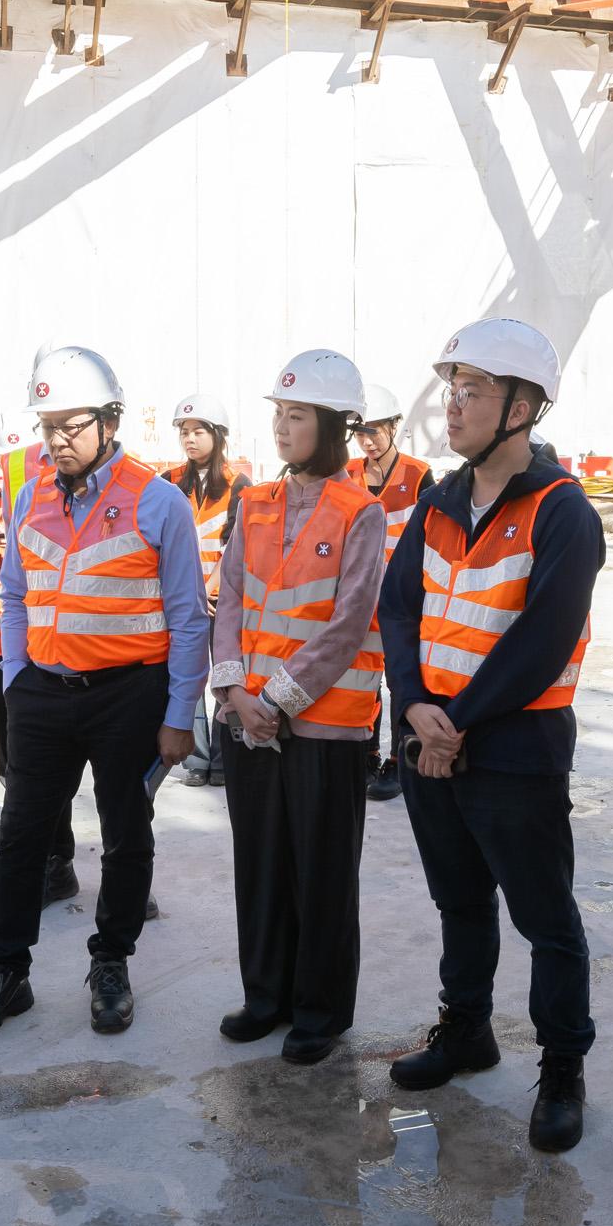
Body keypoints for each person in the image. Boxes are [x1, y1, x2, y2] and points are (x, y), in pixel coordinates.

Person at [379, 318, 606, 1154]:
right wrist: (413, 707)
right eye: (452, 388)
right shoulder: (436, 504)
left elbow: (543, 640)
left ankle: (562, 1066)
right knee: (459, 901)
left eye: (473, 390)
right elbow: (399, 606)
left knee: (546, 918)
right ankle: (465, 1029)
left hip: (515, 750)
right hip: (431, 738)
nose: (454, 405)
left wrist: (456, 723)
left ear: (524, 407)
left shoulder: (564, 511)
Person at [0, 345, 211, 1046]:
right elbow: (11, 594)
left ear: (109, 421)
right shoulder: (31, 496)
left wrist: (178, 716)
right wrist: (15, 678)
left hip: (129, 697)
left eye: (71, 424)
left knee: (126, 836)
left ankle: (111, 965)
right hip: (42, 694)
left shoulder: (158, 502)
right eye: (47, 426)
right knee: (23, 839)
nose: (56, 440)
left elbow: (189, 617)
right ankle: (7, 973)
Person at [210, 349, 387, 1064]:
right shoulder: (252, 503)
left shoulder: (361, 511)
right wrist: (232, 692)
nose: (283, 428)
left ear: (336, 425)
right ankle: (266, 996)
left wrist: (275, 700)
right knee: (260, 864)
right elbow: (227, 602)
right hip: (250, 720)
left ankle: (319, 1010)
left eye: (298, 415)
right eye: (278, 414)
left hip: (325, 726)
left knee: (322, 872)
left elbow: (347, 624)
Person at [0, 409, 79, 905]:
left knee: (53, 755)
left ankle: (58, 850)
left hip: (49, 644)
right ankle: (18, 816)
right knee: (9, 742)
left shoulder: (57, 502)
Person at [348, 381, 431, 803]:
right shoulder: (348, 474)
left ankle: (400, 760)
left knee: (400, 681)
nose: (367, 442)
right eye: (360, 432)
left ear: (395, 426)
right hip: (361, 599)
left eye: (374, 431)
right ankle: (366, 752)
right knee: (363, 680)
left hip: (403, 600)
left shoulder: (419, 475)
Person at [168, 394, 241, 786]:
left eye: (198, 431)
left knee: (225, 678)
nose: (190, 438)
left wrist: (211, 588)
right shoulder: (168, 483)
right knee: (188, 677)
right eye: (184, 431)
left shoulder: (238, 485)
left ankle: (222, 760)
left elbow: (238, 548)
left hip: (220, 602)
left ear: (218, 435)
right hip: (182, 601)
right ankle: (196, 758)